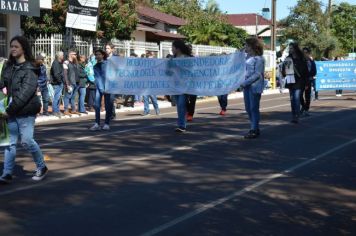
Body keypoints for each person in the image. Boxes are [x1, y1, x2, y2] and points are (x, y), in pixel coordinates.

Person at [0, 36, 48, 184]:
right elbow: (3, 83)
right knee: (10, 143)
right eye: (11, 46)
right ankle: (7, 173)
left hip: (26, 110)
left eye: (16, 46)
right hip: (12, 109)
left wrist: (9, 110)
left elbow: (25, 93)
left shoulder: (30, 68)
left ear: (23, 49)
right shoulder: (9, 66)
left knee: (26, 141)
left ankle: (42, 166)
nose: (13, 49)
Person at [240, 37, 265, 139]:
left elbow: (257, 74)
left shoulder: (259, 59)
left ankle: (254, 129)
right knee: (247, 108)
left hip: (254, 86)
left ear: (252, 46)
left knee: (254, 108)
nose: (245, 47)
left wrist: (245, 83)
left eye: (246, 45)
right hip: (246, 86)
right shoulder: (246, 57)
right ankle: (255, 127)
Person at [282, 42, 309, 124]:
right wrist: (283, 71)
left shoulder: (301, 58)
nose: (290, 50)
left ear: (295, 48)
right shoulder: (288, 58)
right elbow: (284, 71)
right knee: (292, 99)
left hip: (299, 82)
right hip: (290, 82)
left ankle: (296, 116)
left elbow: (305, 71)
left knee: (296, 99)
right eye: (289, 48)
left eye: (291, 48)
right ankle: (294, 115)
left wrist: (307, 83)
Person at [90, 49, 114, 131]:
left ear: (103, 55)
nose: (97, 56)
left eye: (99, 54)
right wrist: (101, 89)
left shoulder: (108, 64)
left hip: (109, 87)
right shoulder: (95, 66)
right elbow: (98, 78)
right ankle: (97, 123)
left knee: (108, 106)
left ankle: (107, 123)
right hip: (100, 88)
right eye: (96, 54)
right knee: (97, 105)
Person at [172, 40, 192, 133]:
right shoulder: (172, 59)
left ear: (177, 48)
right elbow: (168, 72)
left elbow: (189, 70)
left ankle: (182, 125)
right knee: (179, 106)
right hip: (175, 85)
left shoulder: (187, 58)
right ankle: (181, 123)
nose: (172, 49)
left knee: (181, 104)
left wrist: (178, 66)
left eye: (173, 47)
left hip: (184, 85)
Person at [63, 49, 80, 116]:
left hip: (76, 82)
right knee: (67, 96)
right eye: (74, 54)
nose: (76, 55)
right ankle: (66, 110)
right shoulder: (66, 62)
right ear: (70, 55)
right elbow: (65, 74)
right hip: (70, 83)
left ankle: (73, 110)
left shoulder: (75, 62)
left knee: (73, 97)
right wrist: (67, 84)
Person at [301, 47, 317, 116]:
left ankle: (306, 109)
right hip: (301, 81)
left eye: (306, 52)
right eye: (303, 52)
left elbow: (314, 71)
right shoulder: (300, 61)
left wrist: (309, 75)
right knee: (299, 95)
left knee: (307, 96)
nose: (305, 54)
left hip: (308, 80)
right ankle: (304, 107)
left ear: (308, 53)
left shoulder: (311, 61)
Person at [50, 51, 65, 118]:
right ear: (59, 56)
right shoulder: (55, 63)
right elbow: (56, 74)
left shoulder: (59, 63)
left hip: (59, 82)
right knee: (56, 97)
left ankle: (57, 110)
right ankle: (54, 111)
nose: (63, 56)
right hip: (57, 83)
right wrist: (60, 81)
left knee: (58, 98)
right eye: (62, 55)